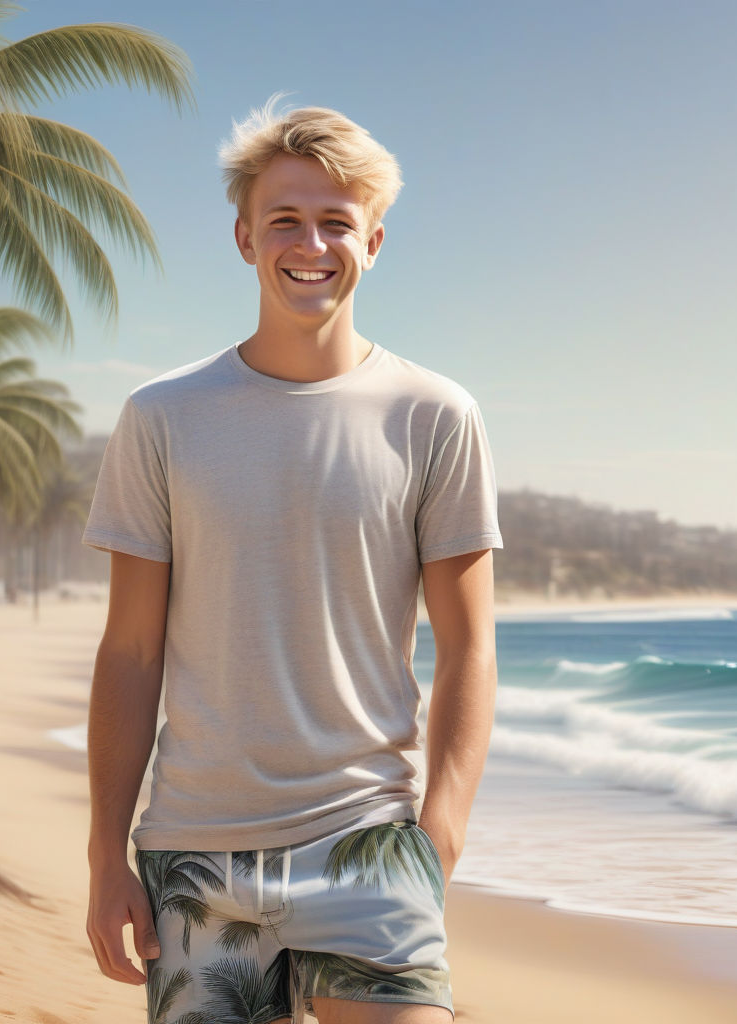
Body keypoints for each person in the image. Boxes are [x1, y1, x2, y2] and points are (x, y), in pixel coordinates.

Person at [82, 99, 503, 1024]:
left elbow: (469, 644)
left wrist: (443, 833)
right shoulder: (163, 417)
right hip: (197, 855)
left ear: (375, 242)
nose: (310, 243)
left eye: (335, 222)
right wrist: (104, 854)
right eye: (285, 219)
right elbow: (131, 653)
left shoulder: (435, 415)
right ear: (244, 237)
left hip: (369, 846)